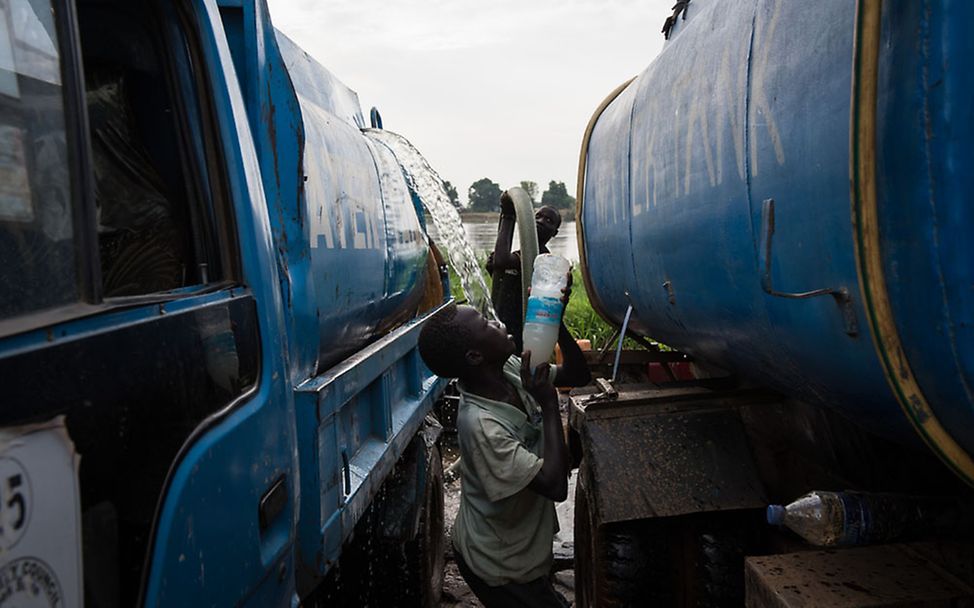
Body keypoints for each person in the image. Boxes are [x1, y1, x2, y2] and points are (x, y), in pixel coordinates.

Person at [417, 299, 590, 608]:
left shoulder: (506, 370)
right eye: (487, 324)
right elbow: (555, 486)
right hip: (497, 565)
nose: (498, 323)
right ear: (475, 356)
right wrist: (550, 405)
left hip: (516, 548)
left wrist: (558, 323)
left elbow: (577, 375)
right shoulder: (482, 426)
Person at [486, 192, 563, 353]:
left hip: (520, 333)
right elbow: (511, 283)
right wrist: (494, 271)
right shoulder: (522, 253)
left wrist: (508, 216)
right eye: (538, 216)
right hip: (505, 325)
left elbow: (502, 262)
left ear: (555, 232)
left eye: (549, 221)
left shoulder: (541, 258)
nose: (541, 221)